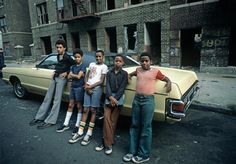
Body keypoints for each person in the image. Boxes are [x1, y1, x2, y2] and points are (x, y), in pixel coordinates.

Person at [123, 52, 172, 163]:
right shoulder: (138, 70)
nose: (144, 63)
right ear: (140, 62)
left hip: (148, 101)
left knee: (146, 127)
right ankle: (132, 151)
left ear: (151, 61)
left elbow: (166, 78)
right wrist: (129, 77)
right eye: (142, 61)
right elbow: (130, 74)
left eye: (146, 61)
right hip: (137, 99)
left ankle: (144, 154)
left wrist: (169, 83)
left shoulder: (155, 72)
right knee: (135, 125)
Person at [29, 39, 75, 129]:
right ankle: (39, 117)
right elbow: (59, 66)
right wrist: (55, 71)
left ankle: (50, 120)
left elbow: (74, 65)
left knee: (57, 100)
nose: (58, 49)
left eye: (60, 47)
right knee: (48, 97)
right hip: (55, 77)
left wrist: (67, 72)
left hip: (62, 79)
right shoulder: (58, 56)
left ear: (64, 48)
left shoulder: (68, 57)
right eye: (57, 47)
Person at [69, 50, 108, 145]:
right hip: (87, 88)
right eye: (97, 56)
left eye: (100, 56)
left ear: (103, 57)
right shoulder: (91, 64)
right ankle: (80, 132)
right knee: (85, 109)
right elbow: (87, 75)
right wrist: (86, 85)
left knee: (93, 110)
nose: (98, 58)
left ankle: (89, 133)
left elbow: (101, 81)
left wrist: (90, 87)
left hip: (96, 90)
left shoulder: (104, 67)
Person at [95, 54, 128, 155]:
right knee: (107, 120)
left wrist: (115, 98)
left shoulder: (124, 74)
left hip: (118, 99)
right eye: (116, 61)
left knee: (113, 122)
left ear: (123, 63)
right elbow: (107, 86)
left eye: (119, 61)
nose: (117, 62)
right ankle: (108, 144)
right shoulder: (109, 73)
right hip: (109, 98)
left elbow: (122, 88)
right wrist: (110, 97)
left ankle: (106, 142)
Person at [56, 49, 86, 135]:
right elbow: (69, 77)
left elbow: (79, 77)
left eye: (78, 57)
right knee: (70, 105)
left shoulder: (83, 66)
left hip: (80, 88)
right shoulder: (72, 66)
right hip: (73, 87)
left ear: (81, 57)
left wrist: (74, 75)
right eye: (75, 57)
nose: (77, 59)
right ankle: (65, 124)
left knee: (79, 106)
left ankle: (77, 125)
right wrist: (74, 75)